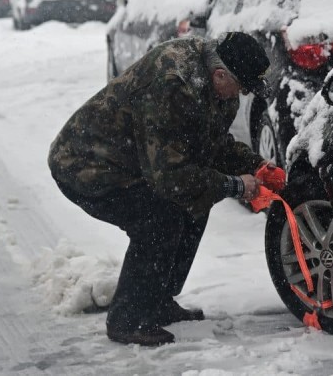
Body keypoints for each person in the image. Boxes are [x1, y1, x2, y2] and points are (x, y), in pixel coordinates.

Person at [48, 32, 279, 346]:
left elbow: (211, 145)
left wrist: (256, 165)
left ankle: (156, 300)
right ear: (221, 73)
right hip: (87, 165)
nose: (241, 94)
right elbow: (169, 176)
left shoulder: (218, 87)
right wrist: (235, 186)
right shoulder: (173, 84)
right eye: (240, 86)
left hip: (137, 162)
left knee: (195, 203)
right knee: (159, 219)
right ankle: (127, 320)